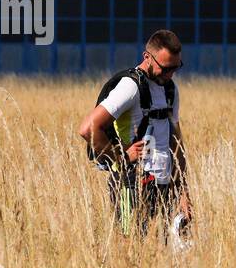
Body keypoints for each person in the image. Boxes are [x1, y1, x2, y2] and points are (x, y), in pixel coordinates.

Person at [78, 29, 191, 242]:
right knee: (131, 250)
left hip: (164, 186)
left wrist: (183, 191)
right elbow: (88, 128)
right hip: (131, 185)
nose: (170, 75)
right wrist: (121, 158)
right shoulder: (130, 86)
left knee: (161, 254)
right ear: (147, 57)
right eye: (165, 68)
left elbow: (176, 142)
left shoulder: (170, 89)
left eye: (176, 68)